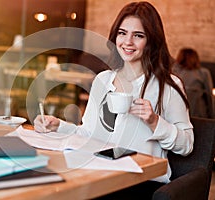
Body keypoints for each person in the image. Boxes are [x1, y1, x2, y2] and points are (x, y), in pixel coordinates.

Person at [34, 1, 194, 198]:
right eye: (122, 33)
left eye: (138, 35)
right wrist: (58, 126)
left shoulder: (168, 86)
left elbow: (187, 145)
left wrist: (154, 122)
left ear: (152, 41)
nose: (128, 42)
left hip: (141, 181)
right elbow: (88, 133)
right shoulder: (103, 80)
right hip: (100, 174)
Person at [173, 48, 214, 118]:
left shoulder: (173, 71)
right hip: (198, 113)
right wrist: (212, 115)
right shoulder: (203, 73)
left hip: (178, 113)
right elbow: (209, 95)